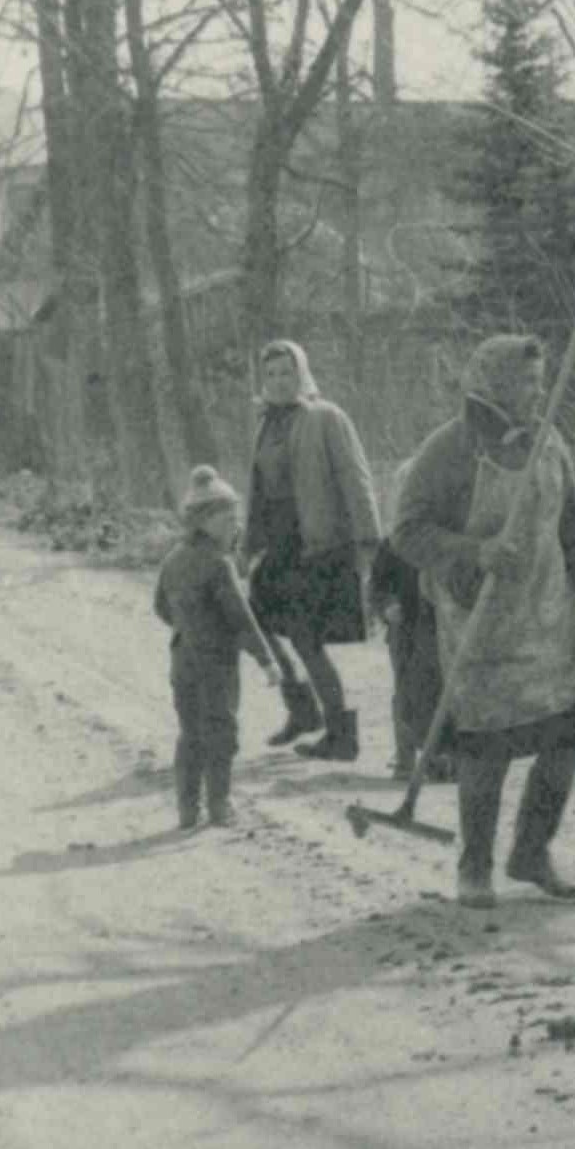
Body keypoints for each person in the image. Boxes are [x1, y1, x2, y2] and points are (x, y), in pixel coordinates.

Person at [392, 333, 575, 911]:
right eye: (526, 381)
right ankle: (475, 867)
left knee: (568, 735)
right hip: (482, 623)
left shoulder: (549, 441)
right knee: (487, 748)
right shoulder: (449, 449)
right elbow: (406, 532)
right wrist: (474, 551)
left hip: (551, 616)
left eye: (541, 380)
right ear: (494, 384)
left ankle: (532, 851)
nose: (538, 392)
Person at [241, 340, 383, 762]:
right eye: (270, 374)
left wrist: (368, 541)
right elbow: (260, 492)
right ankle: (302, 709)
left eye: (287, 372)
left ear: (301, 374)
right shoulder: (267, 423)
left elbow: (355, 479)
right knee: (254, 620)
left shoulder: (326, 417)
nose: (278, 382)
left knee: (306, 639)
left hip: (318, 545)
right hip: (279, 545)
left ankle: (341, 733)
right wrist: (248, 545)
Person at [151, 467, 281, 829]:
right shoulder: (219, 563)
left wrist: (189, 626)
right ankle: (219, 805)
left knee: (190, 733)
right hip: (217, 663)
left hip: (182, 658)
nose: (234, 526)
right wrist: (266, 660)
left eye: (235, 519)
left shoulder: (173, 559)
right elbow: (241, 617)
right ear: (204, 521)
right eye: (227, 519)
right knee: (221, 731)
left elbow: (160, 606)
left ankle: (187, 809)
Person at [370, 452, 451, 785]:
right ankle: (405, 758)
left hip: (439, 627)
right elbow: (377, 586)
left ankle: (441, 757)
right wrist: (386, 606)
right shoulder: (391, 544)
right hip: (403, 628)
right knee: (405, 691)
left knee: (442, 690)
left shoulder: (443, 539)